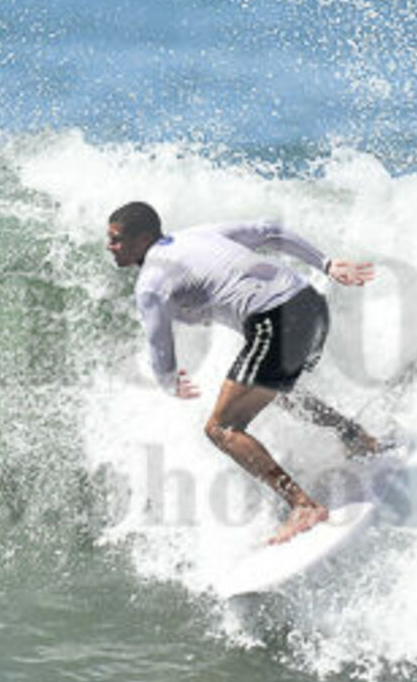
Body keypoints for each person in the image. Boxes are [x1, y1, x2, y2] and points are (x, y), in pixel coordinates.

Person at [107, 201, 381, 544]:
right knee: (272, 390)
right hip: (312, 307)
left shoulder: (150, 282)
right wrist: (326, 263)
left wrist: (167, 380)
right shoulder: (199, 235)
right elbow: (269, 230)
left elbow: (158, 341)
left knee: (221, 428)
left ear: (143, 238)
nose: (110, 246)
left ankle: (303, 506)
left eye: (116, 239)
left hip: (277, 320)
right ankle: (355, 437)